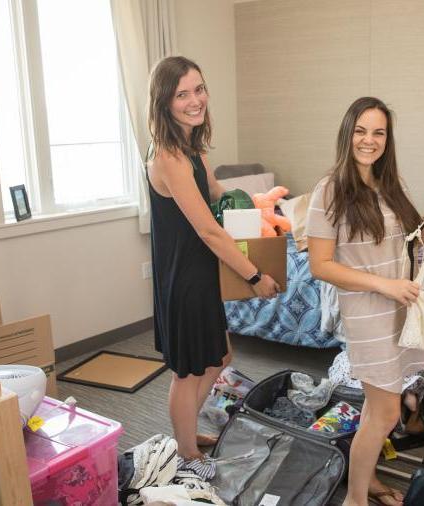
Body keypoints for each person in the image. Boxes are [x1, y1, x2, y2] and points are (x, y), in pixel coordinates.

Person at [307, 97, 424, 506]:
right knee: (387, 412)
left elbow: (411, 243)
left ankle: (367, 480)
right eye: (360, 131)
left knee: (379, 412)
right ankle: (355, 500)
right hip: (369, 312)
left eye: (378, 133)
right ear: (347, 134)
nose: (369, 140)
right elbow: (320, 265)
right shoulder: (331, 190)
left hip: (397, 308)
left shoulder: (389, 185)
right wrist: (383, 285)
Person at [146, 56, 280, 479]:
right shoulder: (169, 156)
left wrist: (256, 206)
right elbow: (207, 230)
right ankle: (185, 451)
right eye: (182, 93)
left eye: (199, 89)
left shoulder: (191, 148)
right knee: (190, 371)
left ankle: (185, 433)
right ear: (164, 102)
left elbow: (218, 193)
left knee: (220, 356)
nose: (194, 100)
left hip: (201, 273)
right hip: (184, 277)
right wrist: (254, 275)